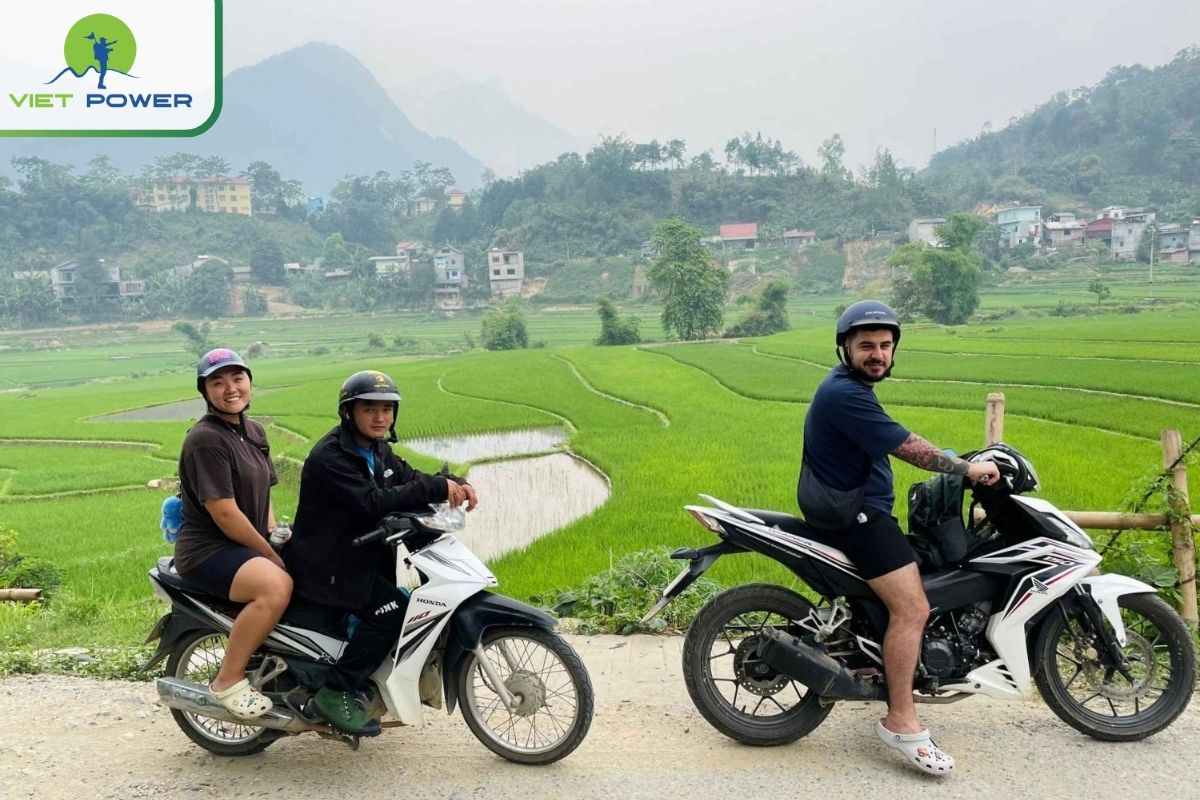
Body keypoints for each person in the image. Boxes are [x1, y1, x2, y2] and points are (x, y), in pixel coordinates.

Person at [797, 300, 999, 776]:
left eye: (885, 346)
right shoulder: (846, 394)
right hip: (858, 516)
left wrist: (953, 458)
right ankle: (901, 720)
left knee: (917, 580)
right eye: (866, 345)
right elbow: (909, 448)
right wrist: (967, 467)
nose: (877, 354)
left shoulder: (851, 387)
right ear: (845, 347)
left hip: (859, 509)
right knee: (913, 607)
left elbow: (897, 440)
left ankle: (881, 662)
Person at [284, 370, 478, 736]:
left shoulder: (376, 450)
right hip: (328, 567)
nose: (379, 417)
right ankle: (336, 690)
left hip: (359, 561)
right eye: (369, 409)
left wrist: (454, 483)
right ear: (349, 413)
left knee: (401, 603)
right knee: (393, 611)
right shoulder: (331, 456)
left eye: (387, 410)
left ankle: (374, 681)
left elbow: (407, 478)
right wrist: (436, 487)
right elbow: (372, 502)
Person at [174, 348, 293, 719]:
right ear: (205, 391)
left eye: (237, 378)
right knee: (275, 585)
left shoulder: (253, 431)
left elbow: (265, 490)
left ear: (250, 384)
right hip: (209, 551)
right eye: (218, 382)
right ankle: (227, 679)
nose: (230, 389)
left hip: (245, 545)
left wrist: (274, 532)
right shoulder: (206, 439)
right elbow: (224, 513)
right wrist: (269, 555)